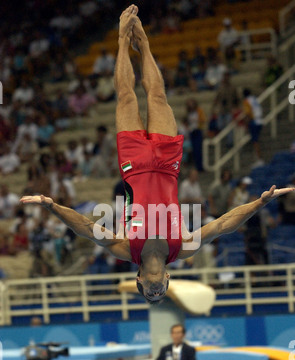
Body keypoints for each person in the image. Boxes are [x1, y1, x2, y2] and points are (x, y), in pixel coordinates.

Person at [20, 5, 295, 304]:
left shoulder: (127, 249)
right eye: (159, 292)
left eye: (148, 293)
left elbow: (86, 229)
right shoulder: (183, 247)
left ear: (137, 279)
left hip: (134, 164)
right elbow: (223, 225)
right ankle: (145, 44)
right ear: (167, 279)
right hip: (167, 165)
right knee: (158, 95)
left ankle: (123, 40)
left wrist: (51, 207)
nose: (154, 291)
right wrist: (259, 202)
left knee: (126, 96)